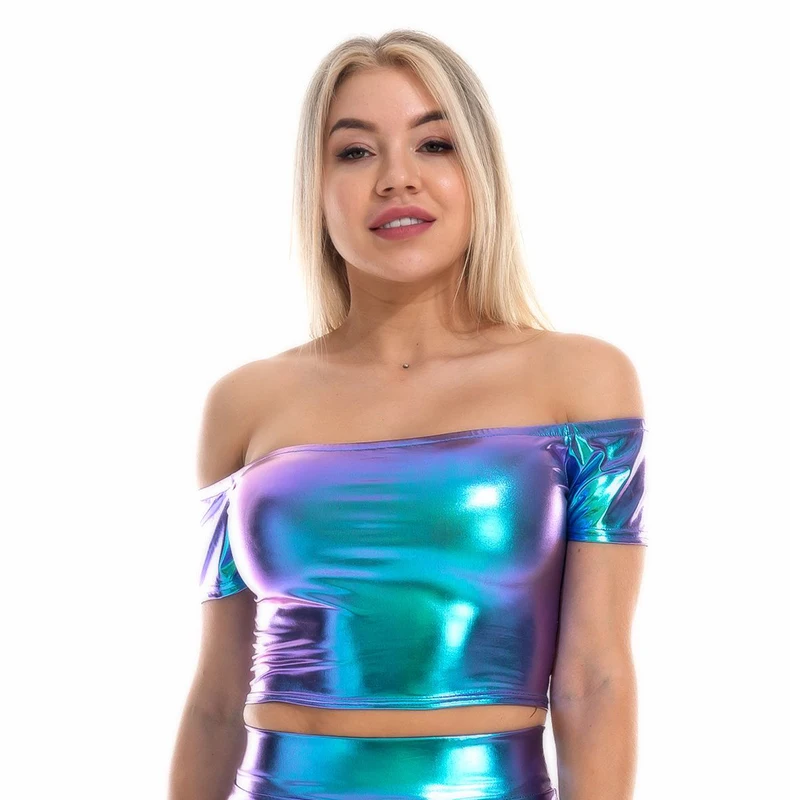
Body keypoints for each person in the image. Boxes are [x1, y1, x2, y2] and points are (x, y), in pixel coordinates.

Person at [168, 29, 648, 800]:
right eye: (356, 152)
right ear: (316, 187)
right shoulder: (245, 404)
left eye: (434, 144)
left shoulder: (580, 383)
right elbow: (217, 701)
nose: (398, 178)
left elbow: (595, 680)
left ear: (479, 171)